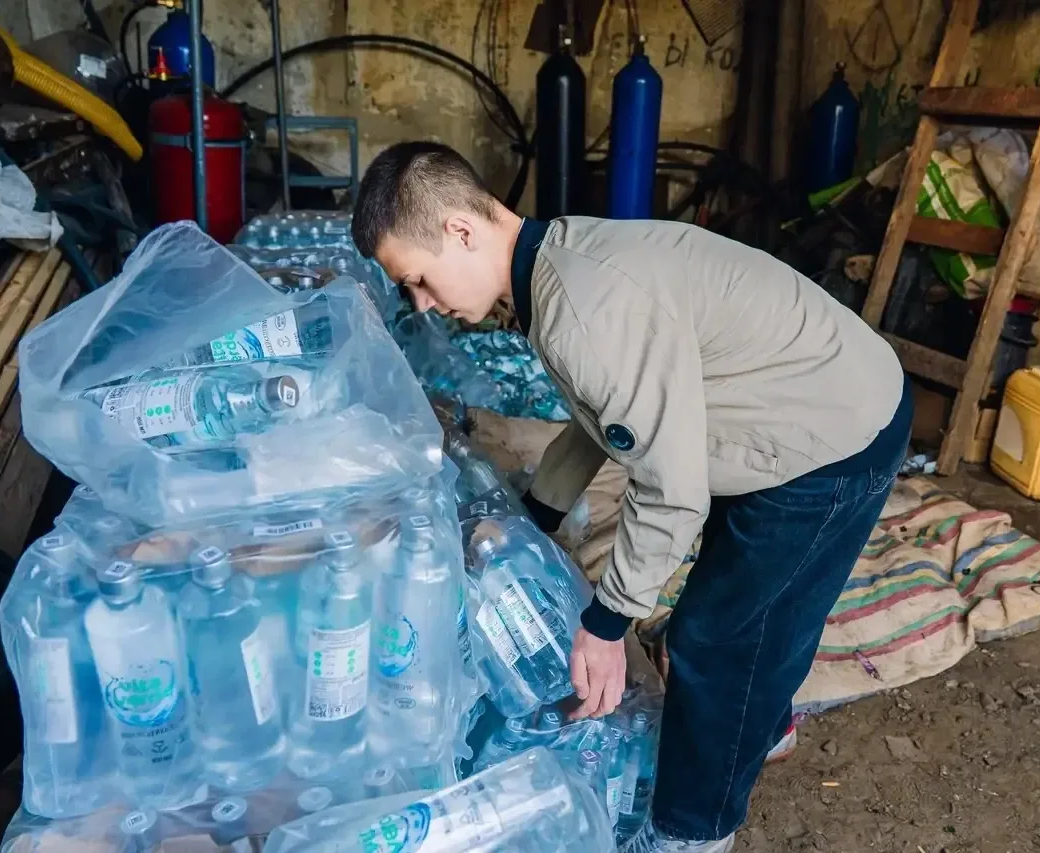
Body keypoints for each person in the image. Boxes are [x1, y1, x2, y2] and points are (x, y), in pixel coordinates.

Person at [352, 141, 911, 853]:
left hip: (831, 432)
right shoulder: (552, 265)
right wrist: (537, 515)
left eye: (419, 281)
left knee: (715, 638)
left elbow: (672, 493)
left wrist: (609, 621)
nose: (423, 305)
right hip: (777, 400)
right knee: (743, 611)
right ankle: (760, 726)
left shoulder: (583, 311)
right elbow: (603, 416)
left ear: (459, 231)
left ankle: (692, 832)